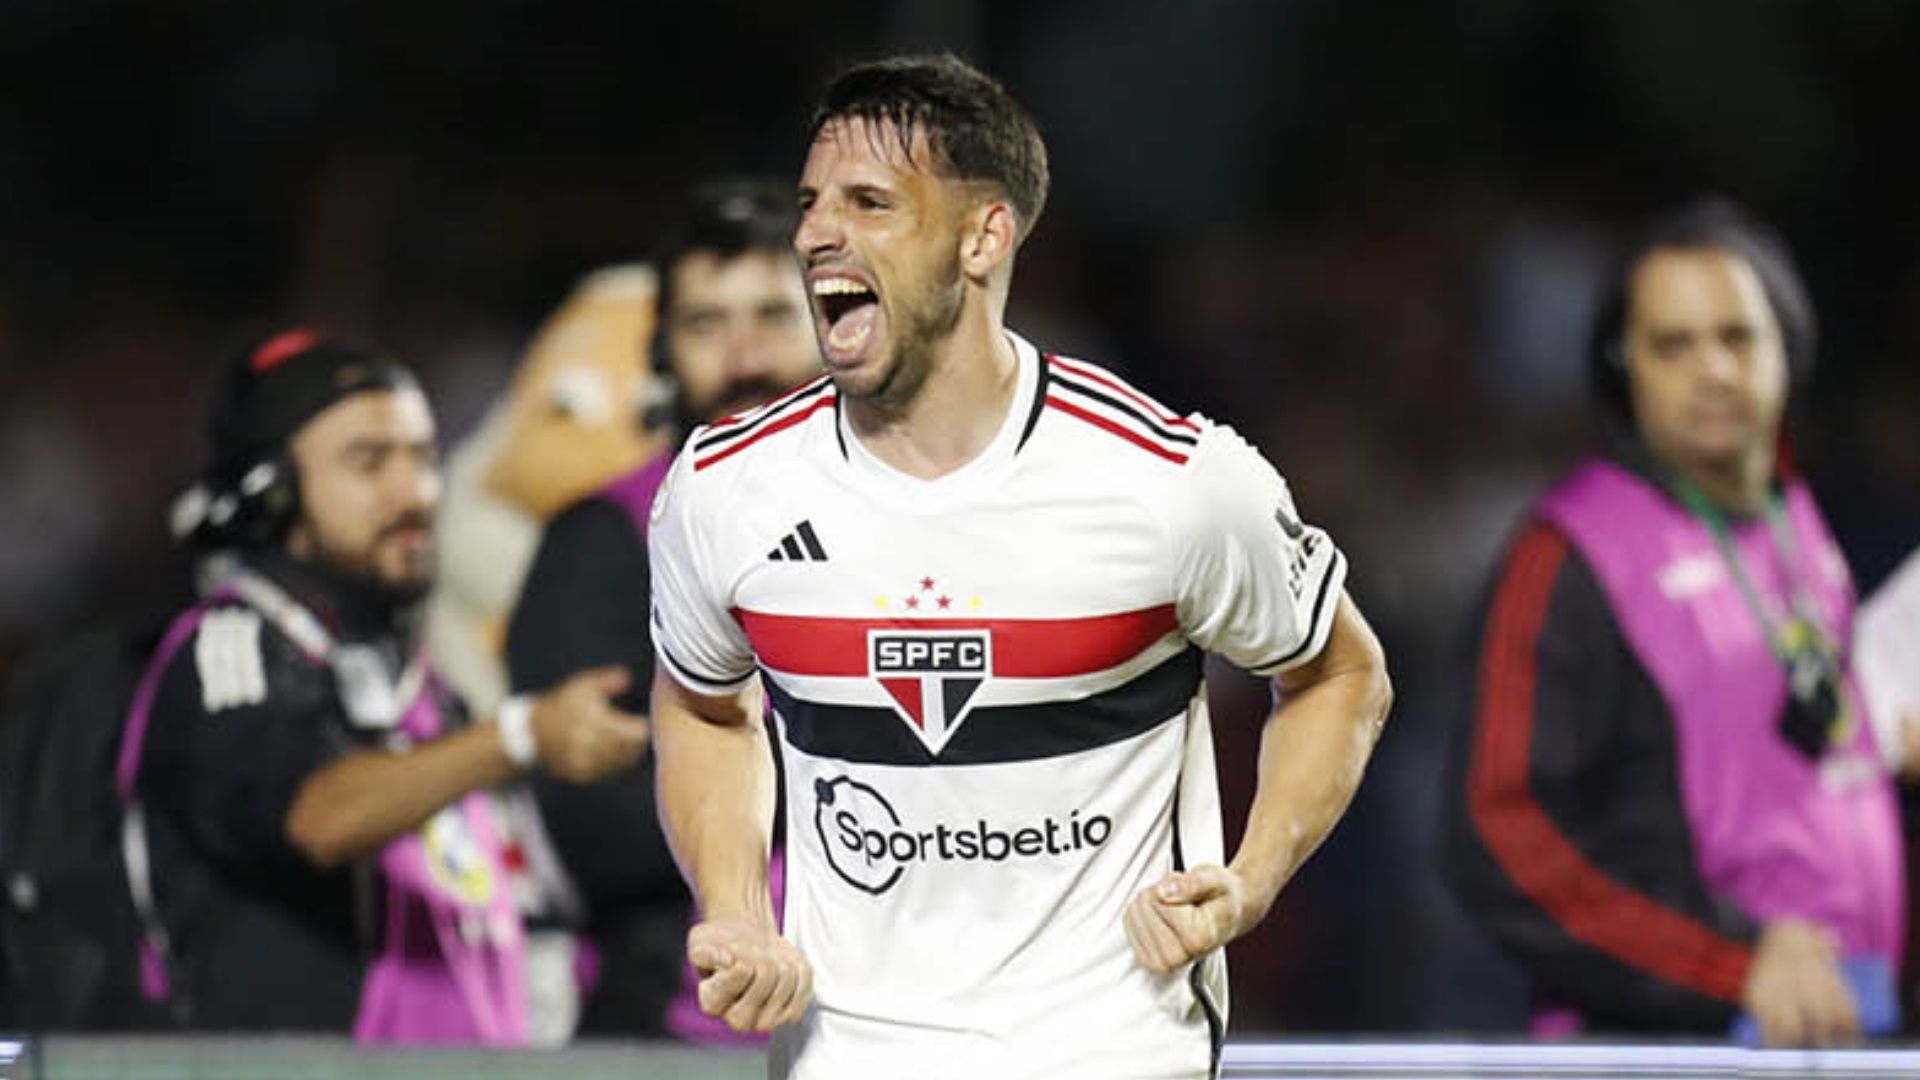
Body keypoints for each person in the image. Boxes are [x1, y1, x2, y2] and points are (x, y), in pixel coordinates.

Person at [646, 55, 1392, 1079]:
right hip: (843, 1058)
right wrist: (735, 908)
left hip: (1110, 1053)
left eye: (871, 203)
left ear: (984, 235)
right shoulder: (725, 488)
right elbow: (700, 706)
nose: (818, 232)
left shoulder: (1169, 480)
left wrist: (1253, 877)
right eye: (814, 204)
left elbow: (1339, 672)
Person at [1441, 199, 1906, 1047]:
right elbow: (1500, 831)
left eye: (1737, 337)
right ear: (1626, 368)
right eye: (1674, 344)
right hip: (1658, 1050)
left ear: (1788, 348)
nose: (1714, 371)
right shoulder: (1570, 555)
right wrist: (1726, 964)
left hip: (1832, 1031)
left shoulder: (1796, 518)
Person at [127, 330, 650, 1041]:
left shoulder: (419, 687)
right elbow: (319, 815)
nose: (415, 493)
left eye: (422, 458)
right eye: (369, 462)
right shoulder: (231, 649)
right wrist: (519, 735)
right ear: (272, 494)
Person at [504, 180, 820, 1039]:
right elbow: (599, 831)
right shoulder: (603, 542)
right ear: (660, 352)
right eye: (706, 325)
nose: (745, 357)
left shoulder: (917, 525)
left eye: (773, 317)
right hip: (679, 1032)